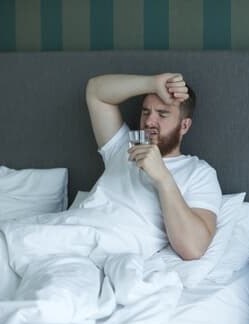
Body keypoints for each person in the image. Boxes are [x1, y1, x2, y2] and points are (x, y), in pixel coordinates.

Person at [85, 73, 222, 260]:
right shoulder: (122, 146)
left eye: (162, 114)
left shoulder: (199, 172)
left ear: (184, 126)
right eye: (145, 112)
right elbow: (95, 92)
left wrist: (163, 177)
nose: (149, 121)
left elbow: (193, 248)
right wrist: (152, 84)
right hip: (73, 231)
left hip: (108, 248)